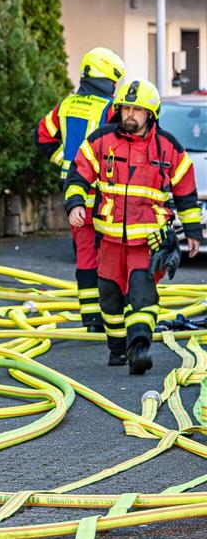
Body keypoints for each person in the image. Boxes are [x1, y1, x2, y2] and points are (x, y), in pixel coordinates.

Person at [65, 78, 202, 374]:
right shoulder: (101, 141)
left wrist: (192, 234)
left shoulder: (168, 148)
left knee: (142, 294)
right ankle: (117, 349)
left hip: (148, 241)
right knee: (109, 298)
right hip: (110, 240)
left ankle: (139, 347)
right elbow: (78, 173)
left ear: (150, 113)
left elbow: (186, 193)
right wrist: (75, 203)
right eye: (125, 108)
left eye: (136, 110)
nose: (128, 114)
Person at [36, 47, 125, 333]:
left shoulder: (65, 105)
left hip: (74, 196)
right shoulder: (110, 109)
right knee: (114, 253)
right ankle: (114, 313)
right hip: (104, 196)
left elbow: (42, 137)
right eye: (114, 82)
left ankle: (91, 319)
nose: (115, 88)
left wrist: (64, 159)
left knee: (86, 255)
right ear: (105, 78)